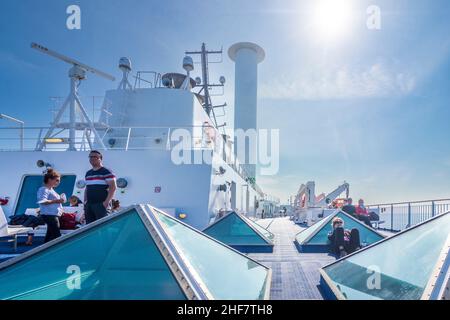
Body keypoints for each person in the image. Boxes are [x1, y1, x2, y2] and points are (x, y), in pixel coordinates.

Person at [84, 150, 117, 224]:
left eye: (95, 157)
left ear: (100, 159)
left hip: (101, 205)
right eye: (90, 157)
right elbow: (87, 188)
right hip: (89, 205)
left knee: (103, 228)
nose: (92, 158)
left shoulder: (107, 171)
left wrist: (106, 202)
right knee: (89, 228)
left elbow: (113, 187)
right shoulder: (88, 173)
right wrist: (85, 202)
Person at [37, 169, 65, 243]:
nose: (58, 182)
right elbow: (42, 201)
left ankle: (43, 251)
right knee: (57, 236)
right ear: (49, 179)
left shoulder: (51, 190)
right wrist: (57, 201)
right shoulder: (44, 189)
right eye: (57, 180)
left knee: (49, 236)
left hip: (53, 216)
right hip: (50, 216)